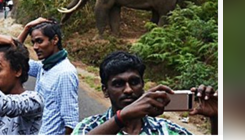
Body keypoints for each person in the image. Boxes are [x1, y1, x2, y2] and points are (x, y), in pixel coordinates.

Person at [71, 51, 218, 135]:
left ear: (143, 85)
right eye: (118, 84)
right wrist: (122, 118)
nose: (128, 90)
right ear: (105, 90)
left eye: (134, 82)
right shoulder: (89, 127)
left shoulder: (167, 130)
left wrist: (217, 118)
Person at [18, 17, 79, 135]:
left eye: (39, 41)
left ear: (55, 39)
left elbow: (71, 123)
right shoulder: (44, 66)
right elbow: (14, 58)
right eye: (33, 42)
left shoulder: (65, 73)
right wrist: (26, 29)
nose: (35, 47)